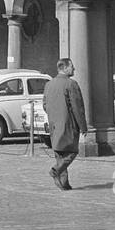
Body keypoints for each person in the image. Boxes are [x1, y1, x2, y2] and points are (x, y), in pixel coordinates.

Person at [43, 58, 86, 190]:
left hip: (54, 125)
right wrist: (83, 126)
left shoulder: (49, 85)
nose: (74, 69)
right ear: (65, 68)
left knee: (60, 154)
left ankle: (64, 183)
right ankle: (56, 171)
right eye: (72, 67)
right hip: (68, 125)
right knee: (71, 152)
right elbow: (77, 108)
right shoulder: (71, 84)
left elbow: (45, 105)